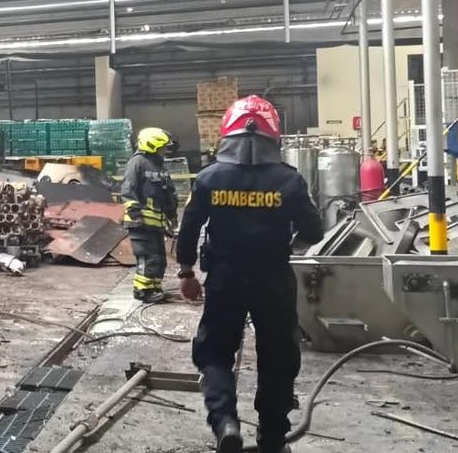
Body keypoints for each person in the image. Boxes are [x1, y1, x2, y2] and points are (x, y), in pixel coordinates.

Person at [175, 96, 323, 453]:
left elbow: (189, 228)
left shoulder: (210, 177)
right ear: (273, 137)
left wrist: (186, 272)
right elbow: (314, 232)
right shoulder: (289, 180)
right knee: (278, 358)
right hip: (274, 281)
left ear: (227, 135)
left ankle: (225, 422)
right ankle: (272, 439)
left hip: (225, 279)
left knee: (214, 353)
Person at [121, 127, 179, 304]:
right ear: (152, 145)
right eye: (162, 147)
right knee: (147, 257)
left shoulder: (159, 166)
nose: (165, 150)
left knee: (159, 258)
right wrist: (134, 211)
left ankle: (154, 288)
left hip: (156, 223)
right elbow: (128, 188)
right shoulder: (137, 163)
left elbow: (168, 192)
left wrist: (171, 214)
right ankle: (142, 291)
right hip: (141, 222)